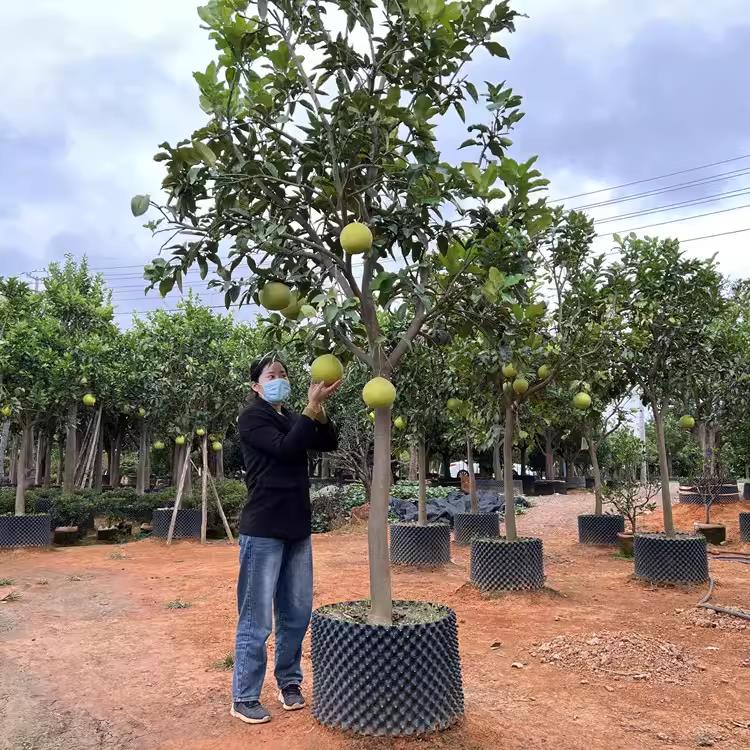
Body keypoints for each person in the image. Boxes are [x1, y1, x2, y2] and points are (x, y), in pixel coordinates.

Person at [231, 353, 340, 725]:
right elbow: (286, 449)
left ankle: (289, 682)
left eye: (283, 373)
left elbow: (328, 441)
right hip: (263, 528)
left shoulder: (290, 417)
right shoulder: (252, 417)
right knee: (256, 618)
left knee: (296, 613)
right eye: (270, 374)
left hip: (297, 527)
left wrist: (318, 409)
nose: (279, 378)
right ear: (255, 385)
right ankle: (244, 695)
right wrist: (310, 408)